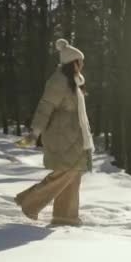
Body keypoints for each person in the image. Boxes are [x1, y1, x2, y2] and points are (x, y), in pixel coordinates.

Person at [14, 38, 94, 226]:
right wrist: (35, 132)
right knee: (66, 172)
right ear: (73, 62)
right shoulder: (58, 81)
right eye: (80, 61)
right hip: (61, 135)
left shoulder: (75, 81)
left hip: (74, 136)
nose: (82, 65)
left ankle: (65, 216)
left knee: (74, 174)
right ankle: (29, 202)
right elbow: (45, 107)